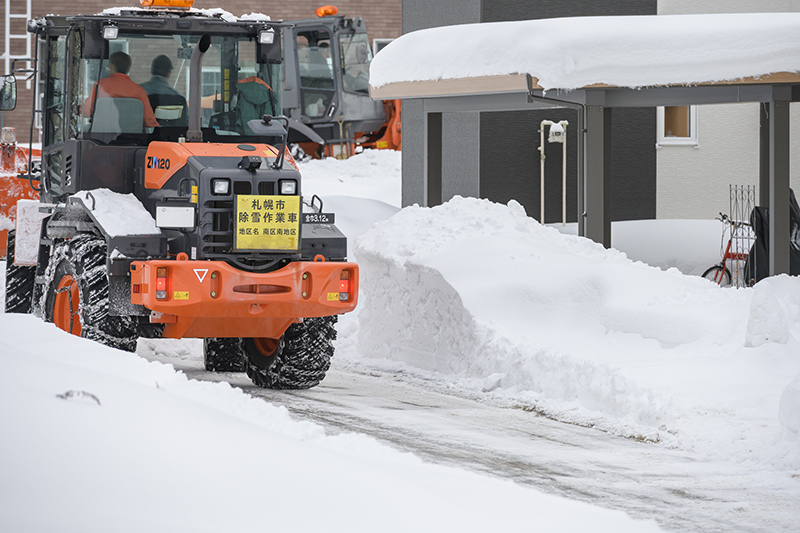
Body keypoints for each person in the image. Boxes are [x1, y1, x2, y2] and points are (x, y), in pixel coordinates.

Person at [83, 51, 158, 128]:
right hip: (132, 139)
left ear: (112, 66)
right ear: (128, 69)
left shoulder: (100, 85)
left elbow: (86, 111)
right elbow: (150, 122)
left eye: (109, 64)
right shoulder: (139, 91)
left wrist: (77, 108)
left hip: (100, 137)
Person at [140, 55, 188, 126]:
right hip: (170, 136)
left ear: (152, 70)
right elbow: (186, 123)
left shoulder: (137, 92)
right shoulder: (177, 97)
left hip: (143, 136)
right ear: (169, 72)